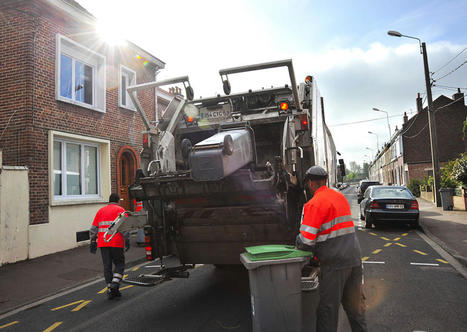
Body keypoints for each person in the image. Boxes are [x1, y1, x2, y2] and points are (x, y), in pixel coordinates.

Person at [296, 166, 368, 332]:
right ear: (326, 181)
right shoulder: (339, 197)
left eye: (308, 183)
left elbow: (306, 241)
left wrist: (296, 241)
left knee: (328, 311)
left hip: (335, 264)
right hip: (354, 260)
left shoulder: (314, 204)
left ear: (311, 183)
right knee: (355, 309)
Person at [90, 193, 130, 300]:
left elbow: (93, 229)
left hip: (103, 243)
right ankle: (114, 285)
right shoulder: (120, 210)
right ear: (117, 201)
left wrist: (93, 240)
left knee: (107, 266)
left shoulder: (101, 211)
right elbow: (125, 228)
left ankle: (111, 290)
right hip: (116, 242)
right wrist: (127, 240)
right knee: (119, 264)